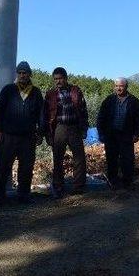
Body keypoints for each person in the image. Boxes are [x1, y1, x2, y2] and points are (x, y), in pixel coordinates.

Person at [0, 61, 44, 205]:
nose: (22, 75)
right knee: (3, 166)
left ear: (29, 74)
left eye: (25, 73)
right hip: (8, 136)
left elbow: (41, 114)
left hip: (28, 137)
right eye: (20, 73)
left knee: (27, 167)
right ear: (17, 74)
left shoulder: (36, 92)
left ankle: (23, 194)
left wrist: (40, 133)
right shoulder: (8, 90)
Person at [43, 67, 89, 198]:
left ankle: (78, 186)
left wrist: (84, 128)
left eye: (60, 78)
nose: (58, 81)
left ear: (66, 78)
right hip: (59, 128)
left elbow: (83, 111)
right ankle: (58, 186)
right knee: (58, 158)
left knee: (79, 157)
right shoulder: (50, 94)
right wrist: (48, 134)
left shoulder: (76, 91)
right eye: (55, 79)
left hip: (74, 127)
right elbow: (46, 115)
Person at [97, 78, 139, 190]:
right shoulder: (109, 100)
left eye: (121, 86)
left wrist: (137, 134)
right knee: (111, 159)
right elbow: (101, 117)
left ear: (126, 87)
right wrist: (101, 133)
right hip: (111, 135)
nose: (118, 88)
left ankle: (127, 183)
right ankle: (113, 182)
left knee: (127, 160)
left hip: (127, 135)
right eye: (116, 86)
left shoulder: (134, 102)